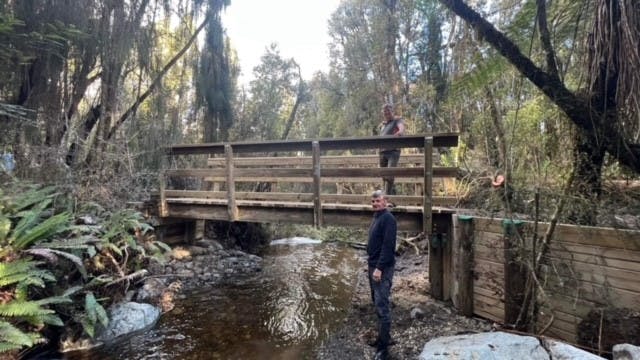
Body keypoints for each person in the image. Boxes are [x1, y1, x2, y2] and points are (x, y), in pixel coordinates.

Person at [367, 190, 397, 360]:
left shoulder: (388, 219)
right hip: (373, 265)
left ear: (385, 201)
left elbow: (388, 246)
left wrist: (379, 268)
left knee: (382, 306)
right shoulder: (377, 216)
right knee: (376, 302)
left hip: (382, 268)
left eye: (378, 201)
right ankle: (382, 338)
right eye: (373, 201)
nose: (375, 204)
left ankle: (384, 349)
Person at [379, 103, 405, 196]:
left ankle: (388, 198)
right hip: (382, 152)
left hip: (393, 151)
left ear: (392, 111)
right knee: (383, 175)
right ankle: (388, 196)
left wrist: (398, 133)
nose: (387, 113)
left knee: (390, 174)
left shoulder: (397, 120)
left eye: (388, 111)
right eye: (385, 112)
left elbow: (401, 129)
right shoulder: (383, 124)